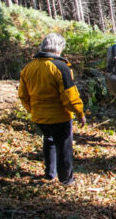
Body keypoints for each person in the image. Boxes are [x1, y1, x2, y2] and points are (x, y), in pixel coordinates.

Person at [18, 33, 86, 185]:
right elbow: (69, 96)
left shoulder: (28, 67)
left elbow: (23, 95)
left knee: (48, 141)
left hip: (39, 117)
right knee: (64, 147)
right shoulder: (61, 67)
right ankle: (66, 179)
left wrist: (32, 110)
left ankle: (50, 174)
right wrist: (79, 112)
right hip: (59, 117)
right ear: (59, 48)